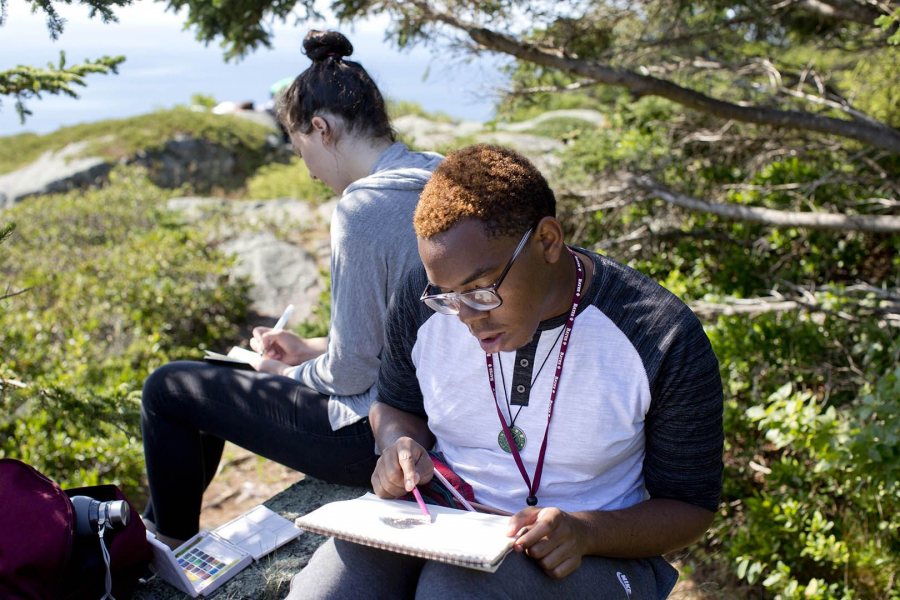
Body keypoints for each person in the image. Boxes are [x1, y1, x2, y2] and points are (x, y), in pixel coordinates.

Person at [288, 144, 723, 599]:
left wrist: (586, 532)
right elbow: (395, 404)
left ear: (548, 241)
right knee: (326, 590)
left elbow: (690, 508)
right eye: (447, 295)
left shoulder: (659, 335)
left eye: (480, 290)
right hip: (444, 517)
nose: (466, 316)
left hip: (595, 551)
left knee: (454, 590)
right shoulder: (424, 298)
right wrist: (399, 444)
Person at [140, 30, 442, 549]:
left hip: (383, 435)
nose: (307, 170)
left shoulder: (363, 210)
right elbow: (410, 325)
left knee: (168, 388)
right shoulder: (438, 173)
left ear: (321, 129)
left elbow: (352, 373)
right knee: (220, 374)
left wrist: (284, 371)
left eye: (301, 149)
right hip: (441, 407)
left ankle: (165, 545)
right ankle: (168, 538)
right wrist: (313, 348)